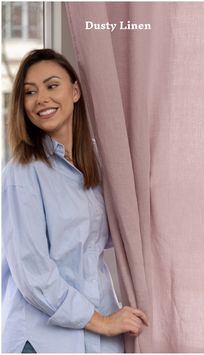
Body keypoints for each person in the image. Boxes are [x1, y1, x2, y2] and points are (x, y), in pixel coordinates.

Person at [2, 48, 148, 353]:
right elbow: (33, 274)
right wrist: (102, 321)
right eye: (30, 92)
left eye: (52, 85)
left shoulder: (97, 163)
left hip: (99, 336)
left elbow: (107, 239)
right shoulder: (22, 172)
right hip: (44, 340)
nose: (41, 98)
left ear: (75, 91)